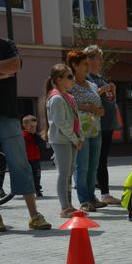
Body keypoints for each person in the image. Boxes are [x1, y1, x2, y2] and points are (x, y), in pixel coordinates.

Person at [0, 3, 51, 231]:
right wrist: (1, 72)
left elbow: (14, 66)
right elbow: (8, 70)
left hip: (8, 115)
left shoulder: (7, 45)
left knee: (20, 164)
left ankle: (34, 215)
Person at [66, 50, 106, 212]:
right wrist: (85, 107)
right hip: (80, 131)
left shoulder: (92, 85)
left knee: (93, 165)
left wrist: (98, 110)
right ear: (74, 66)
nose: (87, 67)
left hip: (96, 129)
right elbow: (68, 105)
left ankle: (92, 197)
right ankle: (84, 200)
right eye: (84, 64)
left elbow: (101, 109)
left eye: (88, 64)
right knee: (82, 165)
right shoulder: (69, 85)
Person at [42, 63, 84, 218]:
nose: (72, 79)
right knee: (64, 173)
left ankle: (69, 204)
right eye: (69, 77)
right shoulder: (56, 98)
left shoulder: (69, 97)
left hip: (71, 140)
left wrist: (80, 137)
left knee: (69, 173)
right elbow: (61, 122)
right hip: (61, 141)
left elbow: (75, 120)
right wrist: (75, 139)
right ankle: (65, 207)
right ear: (58, 80)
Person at [84, 45, 121, 205]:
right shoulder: (87, 78)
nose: (101, 61)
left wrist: (111, 89)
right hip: (96, 125)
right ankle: (97, 194)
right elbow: (88, 97)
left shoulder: (99, 77)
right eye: (99, 57)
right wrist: (101, 89)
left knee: (102, 159)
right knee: (96, 160)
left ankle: (104, 193)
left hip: (107, 124)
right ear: (90, 59)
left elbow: (109, 99)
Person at [21, 115, 44, 197]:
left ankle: (37, 189)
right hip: (26, 159)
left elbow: (41, 143)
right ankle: (27, 191)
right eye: (31, 126)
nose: (33, 128)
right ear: (24, 125)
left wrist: (35, 135)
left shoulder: (35, 135)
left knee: (37, 175)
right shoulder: (22, 135)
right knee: (27, 176)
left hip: (36, 159)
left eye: (35, 126)